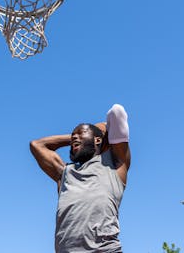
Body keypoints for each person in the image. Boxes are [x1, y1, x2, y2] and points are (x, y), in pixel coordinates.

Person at [30, 104, 131, 253]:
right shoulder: (64, 173)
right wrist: (78, 137)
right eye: (73, 136)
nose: (75, 137)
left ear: (98, 140)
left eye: (80, 133)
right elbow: (37, 145)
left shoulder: (114, 165)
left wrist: (96, 132)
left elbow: (117, 112)